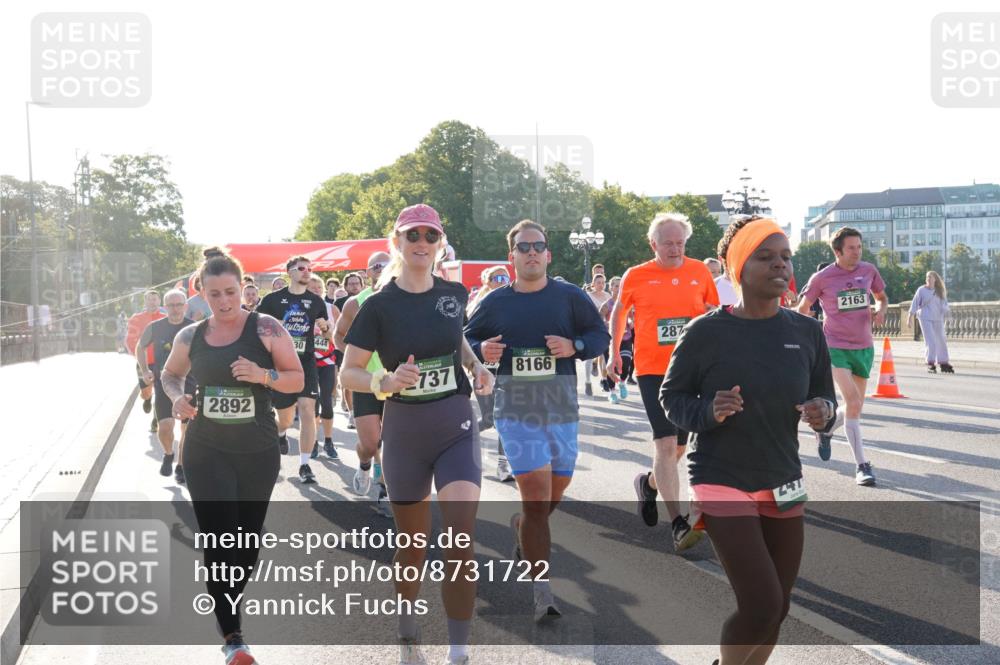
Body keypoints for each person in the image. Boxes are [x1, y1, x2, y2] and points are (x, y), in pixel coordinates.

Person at [662, 216, 836, 665]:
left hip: (783, 477)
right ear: (738, 266)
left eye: (785, 257)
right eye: (765, 257)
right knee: (760, 604)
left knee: (778, 608)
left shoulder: (807, 332)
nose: (780, 265)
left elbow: (826, 398)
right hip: (722, 476)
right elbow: (672, 398)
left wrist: (824, 413)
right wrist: (708, 411)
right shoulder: (706, 332)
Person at [341, 204, 494, 665]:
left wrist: (476, 365)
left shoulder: (454, 293)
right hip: (405, 434)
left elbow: (455, 339)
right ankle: (407, 619)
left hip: (455, 426)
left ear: (440, 243)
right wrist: (384, 381)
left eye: (430, 235)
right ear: (397, 242)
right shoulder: (378, 305)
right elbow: (348, 371)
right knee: (412, 546)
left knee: (460, 539)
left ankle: (458, 651)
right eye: (413, 236)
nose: (422, 243)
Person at [160, 246, 303, 665]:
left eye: (230, 292)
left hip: (257, 450)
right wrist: (177, 398)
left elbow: (296, 379)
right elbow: (170, 374)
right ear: (201, 293)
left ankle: (227, 601)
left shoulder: (267, 328)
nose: (223, 301)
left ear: (243, 288)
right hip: (206, 449)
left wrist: (263, 375)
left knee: (247, 542)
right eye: (214, 294)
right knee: (220, 539)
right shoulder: (191, 336)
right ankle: (233, 637)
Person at [466, 219, 610, 622]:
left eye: (538, 246)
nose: (531, 252)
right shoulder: (495, 302)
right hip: (516, 408)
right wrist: (482, 348)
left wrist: (574, 345)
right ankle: (541, 591)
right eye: (523, 247)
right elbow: (464, 339)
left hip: (561, 407)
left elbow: (600, 336)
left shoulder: (570, 296)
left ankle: (523, 529)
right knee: (535, 497)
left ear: (548, 254)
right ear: (511, 256)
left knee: (551, 496)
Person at [609, 212, 719, 551]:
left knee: (679, 449)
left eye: (680, 243)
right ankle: (678, 523)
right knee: (666, 444)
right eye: (668, 243)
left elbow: (714, 312)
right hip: (653, 369)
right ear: (653, 244)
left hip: (692, 369)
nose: (675, 249)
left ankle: (649, 484)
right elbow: (619, 313)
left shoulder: (699, 271)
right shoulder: (637, 275)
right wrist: (614, 353)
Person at [796, 227, 887, 485]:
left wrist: (880, 309)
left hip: (864, 347)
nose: (857, 252)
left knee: (856, 406)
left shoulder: (868, 271)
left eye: (859, 247)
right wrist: (809, 335)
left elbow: (881, 297)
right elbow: (803, 308)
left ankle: (826, 431)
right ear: (837, 252)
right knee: (852, 401)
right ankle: (862, 466)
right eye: (851, 248)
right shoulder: (822, 277)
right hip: (835, 347)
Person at [255, 256, 333, 484]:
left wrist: (326, 328)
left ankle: (305, 465)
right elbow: (255, 329)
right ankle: (281, 433)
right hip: (281, 363)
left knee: (308, 410)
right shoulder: (271, 300)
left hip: (306, 362)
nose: (307, 272)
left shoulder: (316, 301)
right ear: (290, 272)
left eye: (310, 269)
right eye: (301, 268)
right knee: (286, 419)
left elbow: (328, 336)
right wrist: (273, 328)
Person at [335, 251, 391, 513]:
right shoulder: (355, 303)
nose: (383, 269)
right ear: (368, 272)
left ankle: (385, 489)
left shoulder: (407, 298)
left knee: (390, 441)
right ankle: (365, 464)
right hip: (366, 381)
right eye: (377, 266)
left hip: (396, 382)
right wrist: (354, 360)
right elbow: (338, 335)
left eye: (387, 264)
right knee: (370, 443)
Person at [135, 288, 194, 483]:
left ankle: (181, 466)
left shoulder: (194, 328)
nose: (175, 309)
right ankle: (169, 453)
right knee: (165, 427)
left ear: (185, 306)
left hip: (189, 382)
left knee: (186, 429)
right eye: (171, 305)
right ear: (165, 307)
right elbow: (140, 347)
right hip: (164, 382)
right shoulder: (155, 327)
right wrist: (145, 370)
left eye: (179, 305)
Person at [467, 264, 515, 482]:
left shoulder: (513, 303)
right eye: (498, 278)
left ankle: (503, 466)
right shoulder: (480, 305)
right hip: (485, 370)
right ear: (487, 282)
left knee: (504, 418)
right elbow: (466, 338)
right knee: (488, 420)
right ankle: (457, 438)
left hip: (506, 370)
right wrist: (481, 348)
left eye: (506, 278)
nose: (503, 282)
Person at [308, 275, 340, 459]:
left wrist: (326, 330)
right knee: (312, 402)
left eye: (319, 288)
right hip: (308, 360)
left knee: (326, 400)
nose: (317, 291)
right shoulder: (301, 308)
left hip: (327, 359)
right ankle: (313, 442)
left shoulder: (331, 308)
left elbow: (338, 337)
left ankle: (328, 441)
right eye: (312, 288)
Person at [125, 290, 165, 432]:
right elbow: (130, 340)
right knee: (146, 392)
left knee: (161, 393)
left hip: (161, 363)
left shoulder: (165, 319)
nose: (152, 302)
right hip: (143, 362)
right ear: (145, 301)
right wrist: (138, 355)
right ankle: (147, 399)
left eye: (154, 299)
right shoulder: (136, 319)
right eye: (149, 299)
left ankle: (155, 421)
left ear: (159, 301)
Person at [335, 272, 366, 426]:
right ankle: (352, 413)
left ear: (362, 285)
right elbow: (338, 328)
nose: (354, 286)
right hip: (347, 345)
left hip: (365, 347)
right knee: (349, 380)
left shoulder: (370, 298)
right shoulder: (341, 303)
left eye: (356, 283)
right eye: (351, 284)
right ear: (346, 286)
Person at [908, 271, 953, 373]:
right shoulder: (921, 290)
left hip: (938, 318)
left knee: (941, 340)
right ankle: (930, 362)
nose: (928, 279)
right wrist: (909, 317)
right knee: (931, 341)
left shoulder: (940, 291)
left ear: (935, 279)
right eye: (927, 277)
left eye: (930, 277)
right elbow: (915, 303)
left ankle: (943, 362)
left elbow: (944, 305)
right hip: (925, 317)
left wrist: (948, 316)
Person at [584, 274, 612, 396]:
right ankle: (588, 382)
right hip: (590, 328)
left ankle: (604, 379)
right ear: (593, 284)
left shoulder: (608, 296)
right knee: (589, 356)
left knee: (605, 355)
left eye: (603, 282)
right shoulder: (588, 296)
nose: (601, 285)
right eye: (598, 282)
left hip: (604, 329)